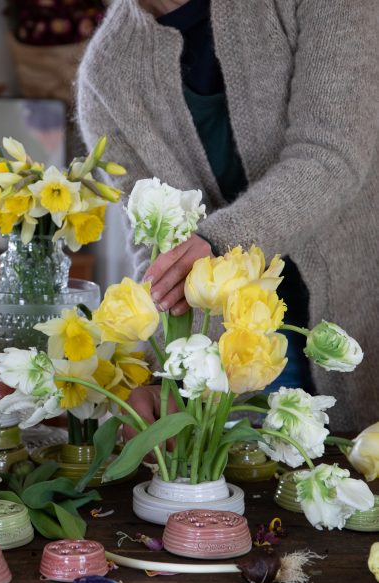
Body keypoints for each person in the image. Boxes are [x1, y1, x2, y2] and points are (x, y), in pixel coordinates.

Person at [77, 0, 379, 431]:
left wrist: (220, 243)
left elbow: (332, 155)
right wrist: (156, 372)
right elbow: (156, 242)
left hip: (360, 308)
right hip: (242, 361)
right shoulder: (106, 74)